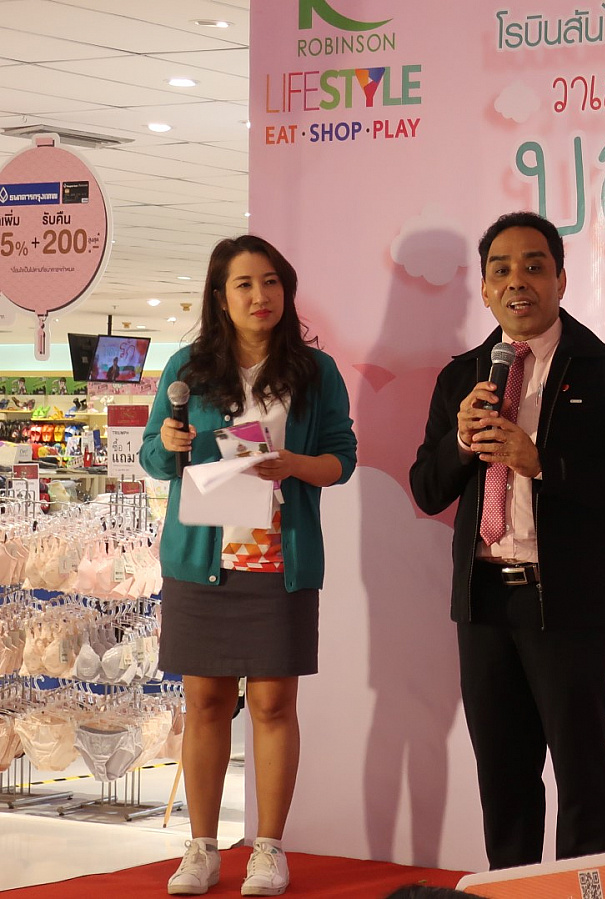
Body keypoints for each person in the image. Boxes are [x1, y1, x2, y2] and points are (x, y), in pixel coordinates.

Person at [409, 211, 605, 869]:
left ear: (560, 279)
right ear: (485, 288)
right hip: (483, 600)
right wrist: (460, 443)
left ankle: (587, 889)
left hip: (570, 602)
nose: (516, 281)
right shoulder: (464, 376)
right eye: (500, 270)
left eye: (533, 266)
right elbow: (427, 489)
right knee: (503, 775)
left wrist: (542, 462)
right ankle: (513, 886)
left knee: (581, 769)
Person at [141, 235, 357, 897]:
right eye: (244, 284)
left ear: (285, 291)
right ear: (220, 295)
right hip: (200, 559)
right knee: (204, 703)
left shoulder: (315, 372)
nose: (260, 295)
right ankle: (202, 848)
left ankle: (268, 848)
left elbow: (341, 459)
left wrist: (293, 464)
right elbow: (155, 457)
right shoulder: (187, 367)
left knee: (272, 704)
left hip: (278, 560)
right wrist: (169, 442)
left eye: (271, 282)